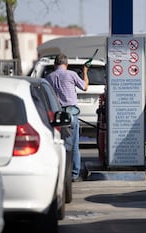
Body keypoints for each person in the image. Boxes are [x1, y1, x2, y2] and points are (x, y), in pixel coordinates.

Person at [45, 53, 89, 182]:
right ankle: (74, 174)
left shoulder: (49, 77)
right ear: (66, 64)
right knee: (74, 146)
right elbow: (85, 87)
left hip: (57, 114)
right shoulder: (71, 74)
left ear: (55, 64)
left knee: (59, 144)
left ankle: (60, 171)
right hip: (71, 113)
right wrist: (85, 72)